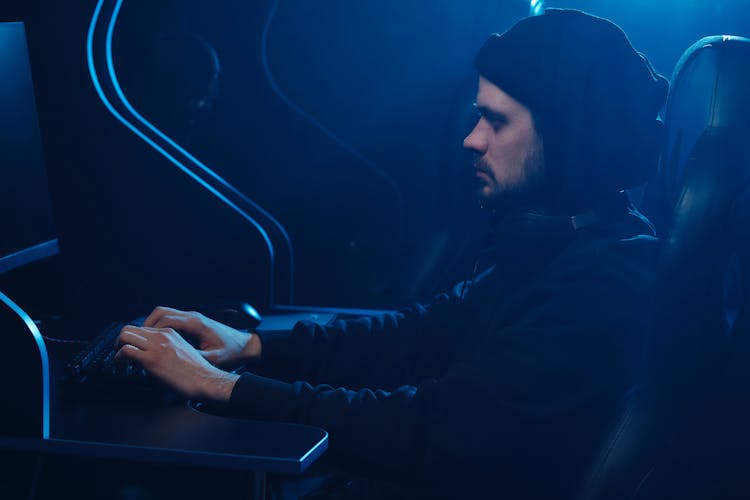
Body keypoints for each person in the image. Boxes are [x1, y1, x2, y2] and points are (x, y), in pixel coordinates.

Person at [115, 9, 669, 498]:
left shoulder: (606, 281)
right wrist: (252, 346)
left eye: (496, 120)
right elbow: (417, 337)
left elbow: (428, 431)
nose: (471, 139)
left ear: (570, 137)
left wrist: (220, 386)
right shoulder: (554, 242)